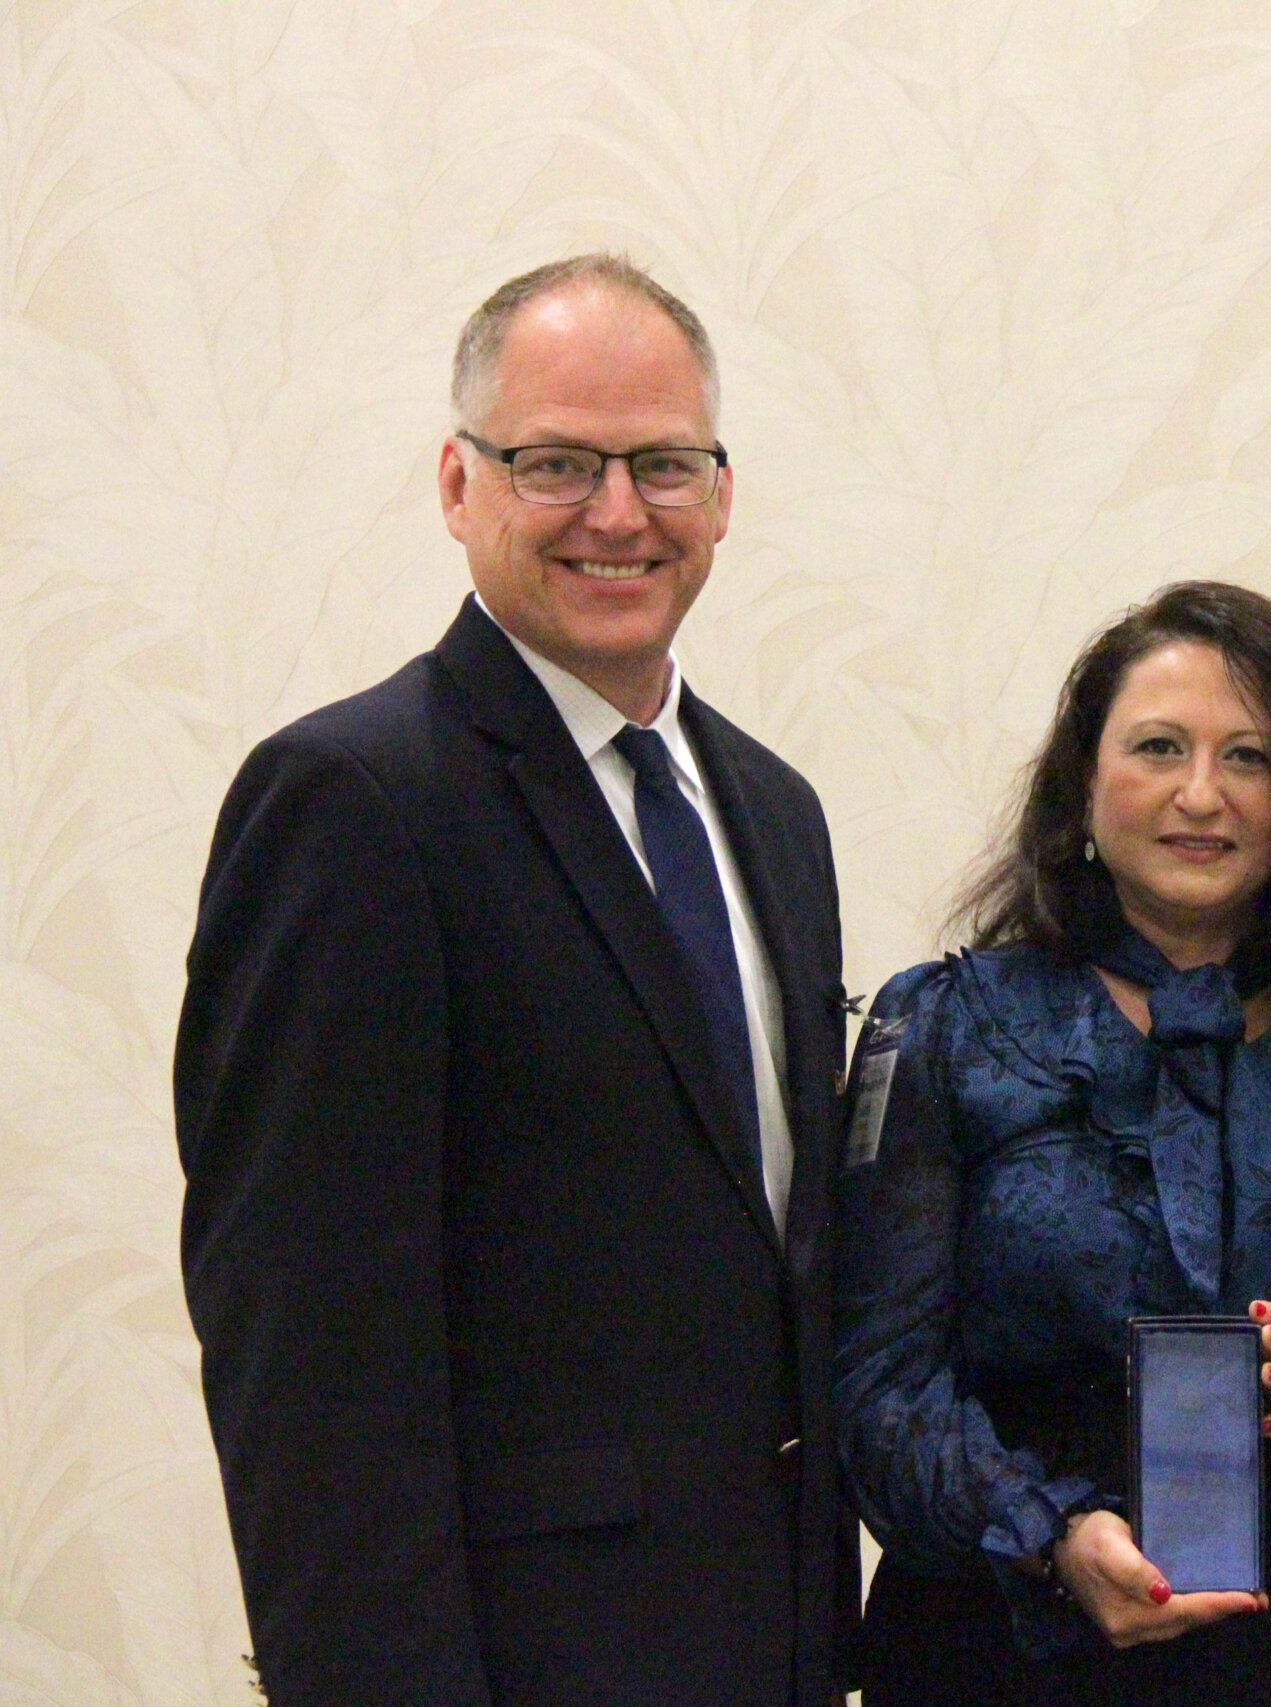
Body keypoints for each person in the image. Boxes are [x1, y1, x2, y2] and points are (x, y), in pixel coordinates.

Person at [173, 255, 856, 1706]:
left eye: (662, 464)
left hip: (770, 1649)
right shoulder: (355, 803)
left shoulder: (775, 812)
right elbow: (307, 1350)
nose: (618, 513)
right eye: (557, 463)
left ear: (721, 492)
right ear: (457, 482)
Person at [832, 581, 1271, 1707]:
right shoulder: (948, 1028)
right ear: (1082, 785)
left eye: (1250, 757)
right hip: (1007, 1647)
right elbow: (875, 1390)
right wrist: (1047, 1535)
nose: (1202, 794)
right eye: (1158, 747)